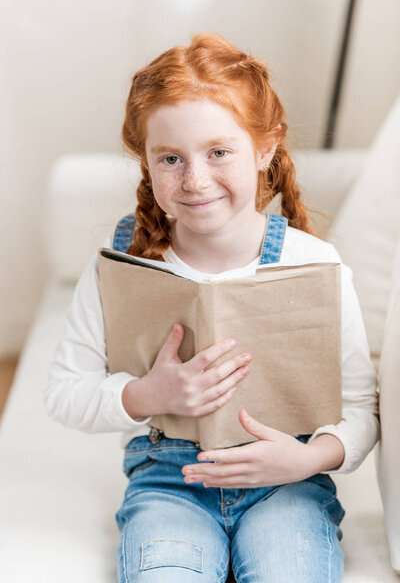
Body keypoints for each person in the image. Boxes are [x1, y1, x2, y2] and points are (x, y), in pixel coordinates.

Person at [44, 32, 379, 582]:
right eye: (170, 159)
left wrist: (312, 458)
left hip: (287, 482)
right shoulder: (124, 266)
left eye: (219, 152)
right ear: (146, 165)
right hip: (171, 485)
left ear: (265, 148)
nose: (195, 181)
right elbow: (64, 392)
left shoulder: (314, 264)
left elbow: (362, 405)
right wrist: (147, 394)